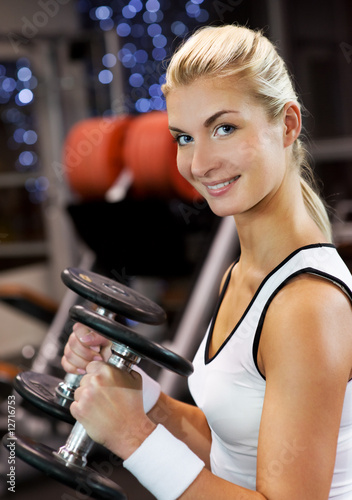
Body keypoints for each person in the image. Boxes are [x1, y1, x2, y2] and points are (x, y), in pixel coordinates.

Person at [61, 24, 352, 499]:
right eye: (183, 138)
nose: (198, 164)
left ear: (288, 124)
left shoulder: (307, 305)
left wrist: (133, 438)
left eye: (224, 129)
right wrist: (137, 395)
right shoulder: (242, 275)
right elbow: (233, 448)